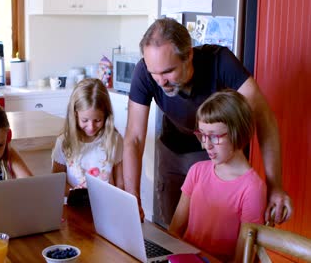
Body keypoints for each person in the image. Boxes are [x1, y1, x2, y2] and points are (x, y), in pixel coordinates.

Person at [123, 17, 292, 226]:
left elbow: (264, 119)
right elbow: (135, 137)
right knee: (171, 230)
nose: (160, 81)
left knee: (211, 230)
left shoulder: (220, 62)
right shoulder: (145, 72)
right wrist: (131, 197)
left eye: (168, 71)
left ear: (189, 56)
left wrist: (275, 185)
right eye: (154, 73)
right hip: (171, 151)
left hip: (216, 154)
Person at [168, 90, 267, 262]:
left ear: (238, 132)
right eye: (202, 135)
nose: (206, 145)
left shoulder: (252, 188)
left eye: (213, 137)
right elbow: (174, 232)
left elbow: (242, 258)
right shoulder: (196, 171)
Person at [52, 78, 124, 195]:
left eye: (97, 120)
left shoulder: (114, 140)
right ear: (75, 115)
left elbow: (120, 182)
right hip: (74, 208)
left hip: (106, 205)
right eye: (85, 120)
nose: (91, 127)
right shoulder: (64, 143)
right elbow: (57, 182)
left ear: (106, 115)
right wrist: (74, 194)